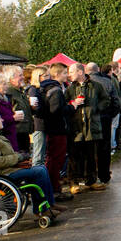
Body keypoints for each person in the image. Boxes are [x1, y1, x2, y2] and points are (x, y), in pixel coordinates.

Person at [0, 109, 60, 223]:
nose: (2, 119)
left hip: (6, 171)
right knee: (39, 171)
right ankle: (43, 208)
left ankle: (48, 205)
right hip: (0, 174)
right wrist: (19, 157)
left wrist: (20, 156)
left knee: (41, 169)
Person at [66, 63, 106, 194]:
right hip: (76, 127)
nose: (69, 75)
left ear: (80, 72)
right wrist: (73, 103)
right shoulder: (70, 89)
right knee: (74, 156)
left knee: (91, 155)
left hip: (92, 126)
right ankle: (74, 182)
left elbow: (106, 100)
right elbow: (64, 104)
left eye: (71, 72)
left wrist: (96, 109)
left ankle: (91, 180)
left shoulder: (95, 86)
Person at [37, 64, 73, 200]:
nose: (67, 75)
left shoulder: (48, 88)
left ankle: (54, 187)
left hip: (52, 129)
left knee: (54, 159)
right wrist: (70, 107)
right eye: (64, 73)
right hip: (56, 129)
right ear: (57, 75)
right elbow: (56, 111)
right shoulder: (56, 90)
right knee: (56, 159)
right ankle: (54, 189)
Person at [86, 62, 121, 186]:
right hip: (104, 118)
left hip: (88, 120)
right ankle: (104, 175)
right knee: (104, 147)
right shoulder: (108, 81)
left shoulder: (85, 83)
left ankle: (90, 177)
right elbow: (117, 103)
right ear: (98, 69)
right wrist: (109, 115)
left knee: (90, 148)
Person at [5, 65, 33, 156]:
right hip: (16, 132)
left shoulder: (21, 91)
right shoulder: (9, 93)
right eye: (20, 75)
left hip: (24, 131)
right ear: (11, 78)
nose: (23, 77)